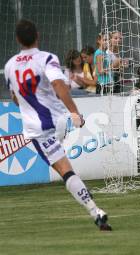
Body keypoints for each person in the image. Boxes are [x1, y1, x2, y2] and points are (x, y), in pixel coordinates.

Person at [4, 19, 112, 230]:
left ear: (17, 39)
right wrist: (74, 113)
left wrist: (27, 103)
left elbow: (16, 98)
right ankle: (90, 203)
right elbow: (58, 85)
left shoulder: (9, 66)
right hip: (60, 121)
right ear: (38, 35)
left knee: (65, 171)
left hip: (39, 130)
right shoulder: (46, 58)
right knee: (66, 165)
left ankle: (95, 210)